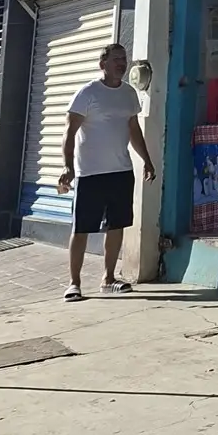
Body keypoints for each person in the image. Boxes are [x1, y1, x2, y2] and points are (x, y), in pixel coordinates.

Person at [57, 42, 156, 301]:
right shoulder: (87, 93)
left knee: (116, 225)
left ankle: (109, 279)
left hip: (121, 171)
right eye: (116, 59)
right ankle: (74, 283)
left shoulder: (129, 94)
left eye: (124, 59)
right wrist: (68, 166)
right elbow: (69, 132)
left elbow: (133, 129)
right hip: (90, 173)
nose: (121, 64)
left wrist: (146, 160)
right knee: (81, 228)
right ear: (103, 64)